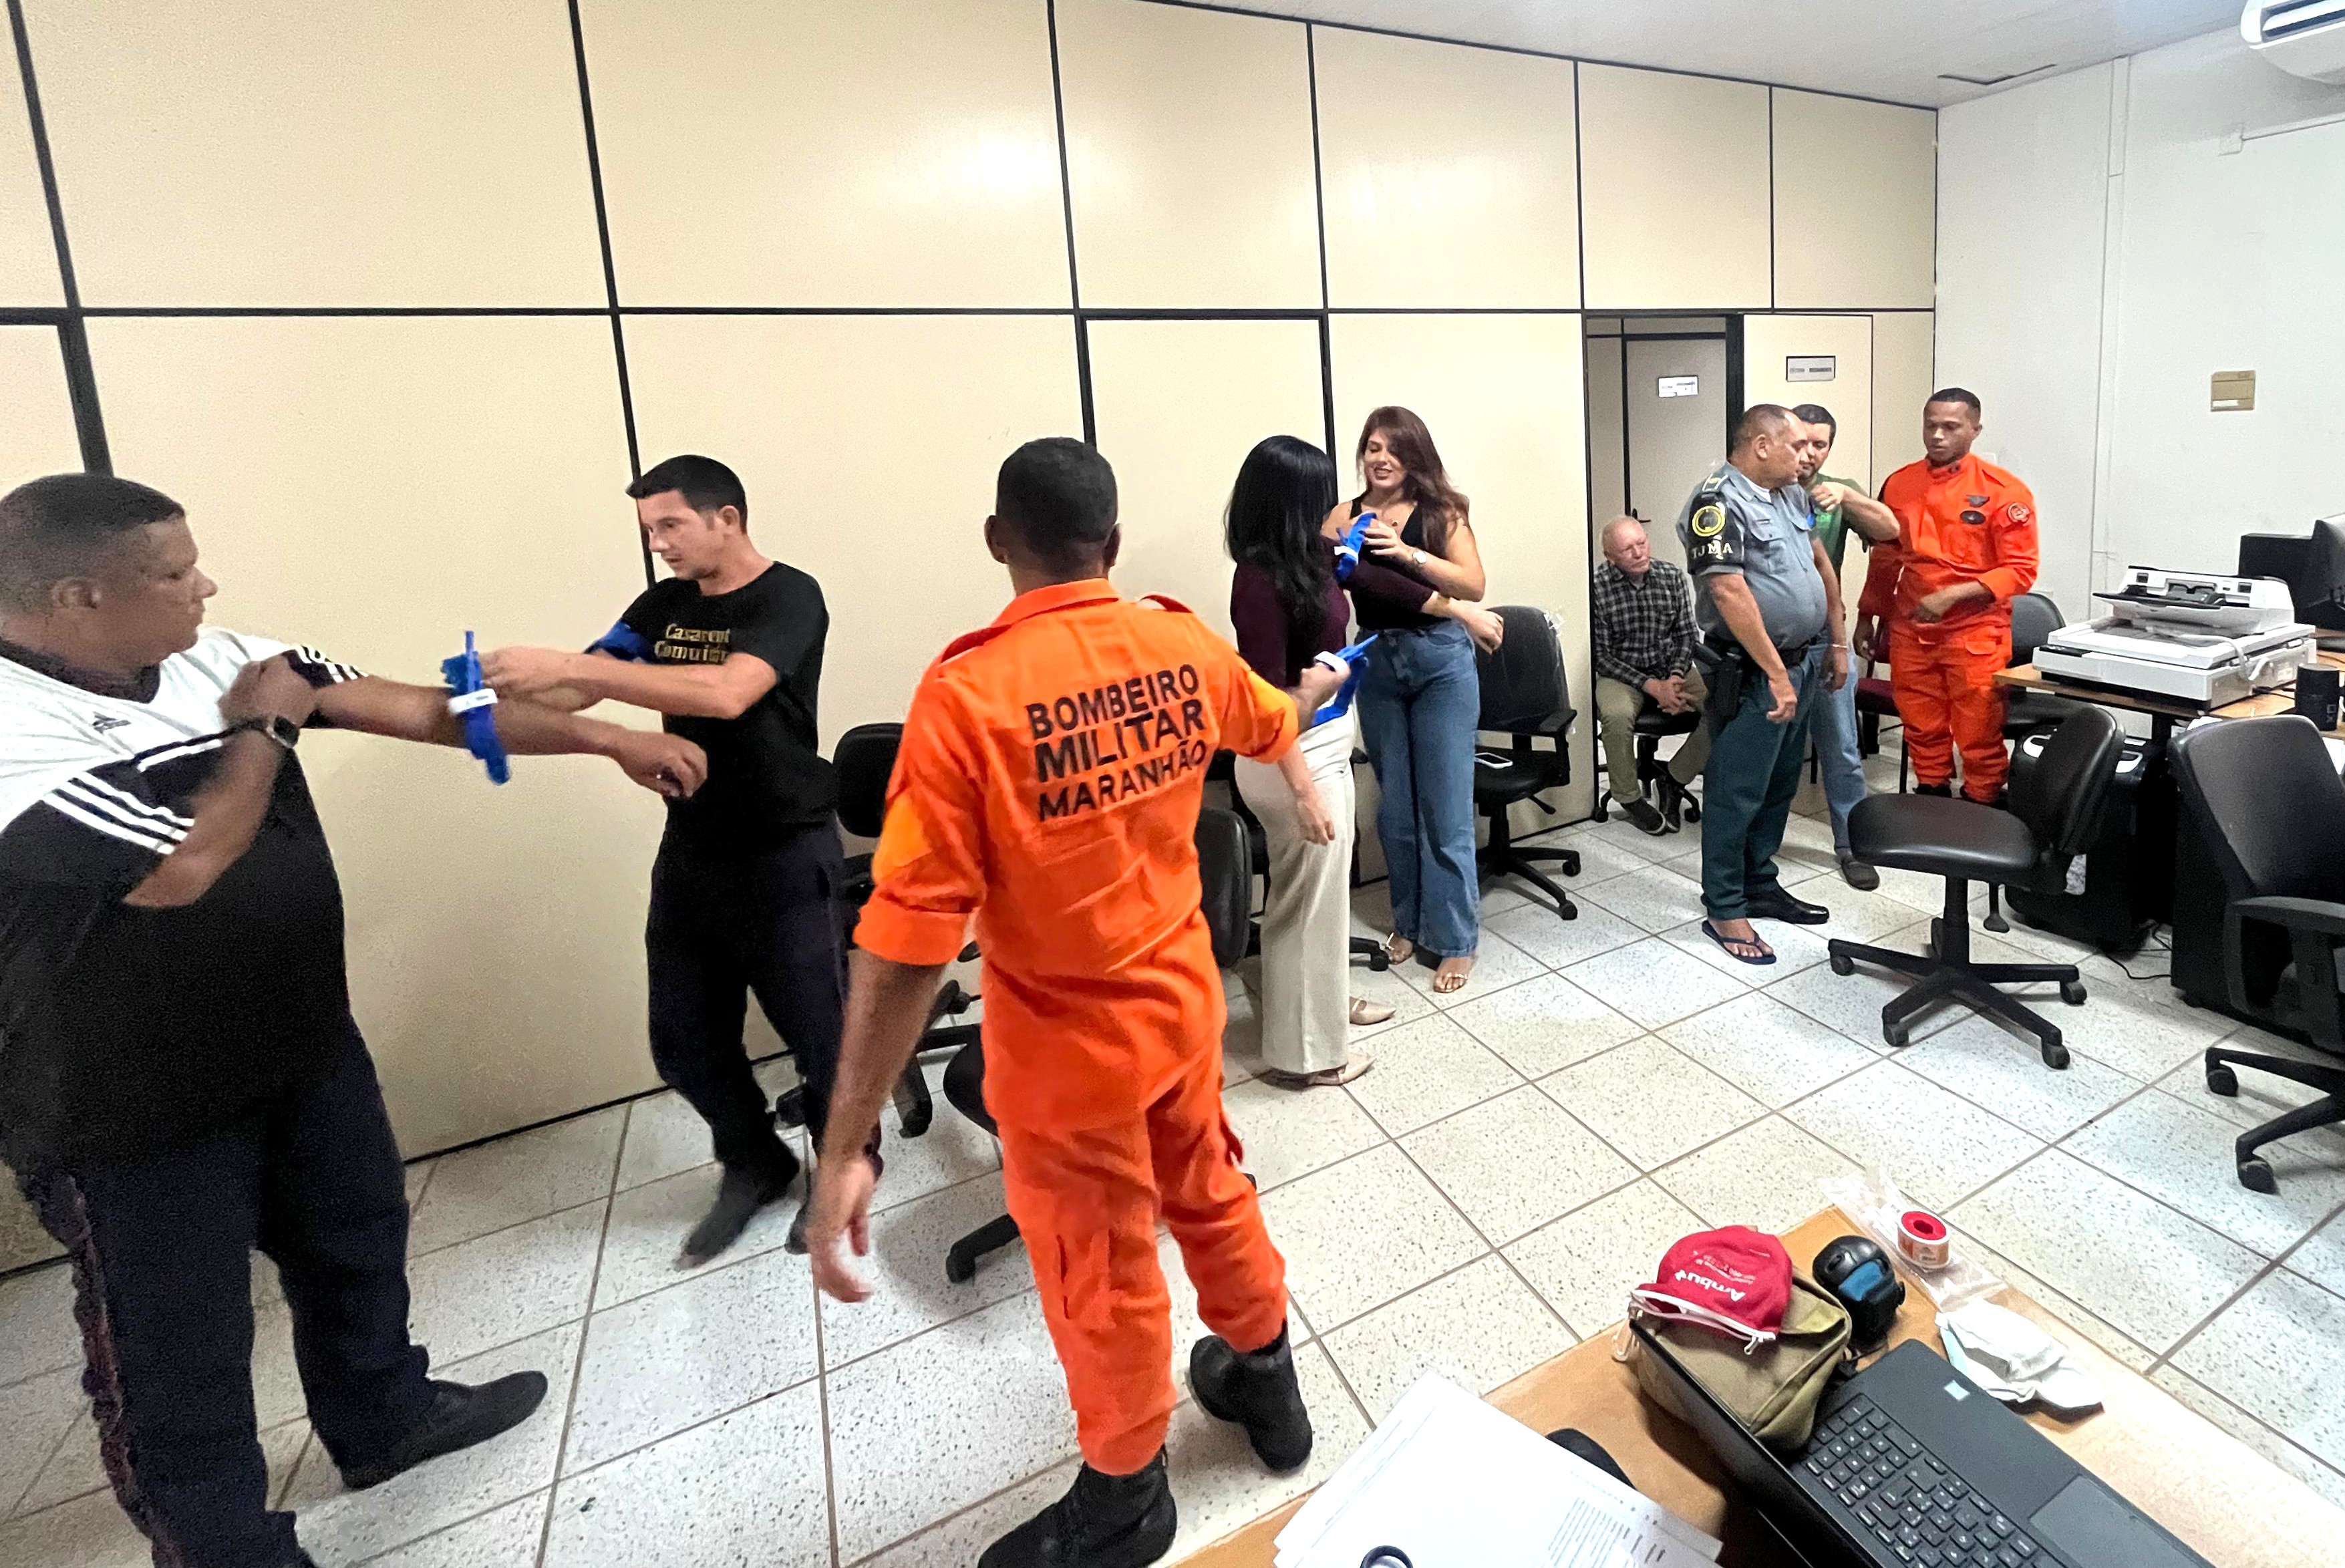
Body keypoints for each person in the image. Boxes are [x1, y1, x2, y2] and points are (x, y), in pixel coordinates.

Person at [0, 473, 707, 1568]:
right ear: (80, 597)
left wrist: (608, 739)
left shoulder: (218, 652)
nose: (206, 585)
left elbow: (432, 708)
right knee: (172, 1346)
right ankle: (224, 1546)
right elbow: (180, 866)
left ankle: (383, 1418)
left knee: (357, 1240)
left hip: (297, 1041)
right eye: (176, 573)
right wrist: (266, 725)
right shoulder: (16, 727)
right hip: (127, 1098)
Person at [802, 438, 1345, 1568]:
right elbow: (1268, 718)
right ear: (1109, 543)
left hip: (1064, 1055)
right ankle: (1267, 1383)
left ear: (999, 542)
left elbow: (905, 950)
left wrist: (844, 1142)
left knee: (1095, 1264)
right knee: (1208, 1184)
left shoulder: (966, 698)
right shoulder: (1175, 639)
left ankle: (1125, 1491)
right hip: (1182, 1008)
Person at [483, 454, 878, 1265]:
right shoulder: (662, 605)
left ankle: (851, 1165)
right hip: (695, 845)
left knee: (822, 1034)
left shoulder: (788, 596)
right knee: (683, 1038)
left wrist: (570, 665)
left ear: (725, 519)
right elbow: (586, 687)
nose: (659, 544)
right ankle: (754, 1160)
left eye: (670, 525)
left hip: (785, 844)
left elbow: (729, 691)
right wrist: (499, 691)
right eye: (649, 529)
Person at [1225, 435, 1398, 1089]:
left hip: (1323, 743)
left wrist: (1459, 605)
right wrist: (1302, 789)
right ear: (1291, 501)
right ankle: (1309, 1054)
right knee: (1305, 905)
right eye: (1320, 493)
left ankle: (1328, 1007)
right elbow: (1270, 704)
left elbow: (1377, 577)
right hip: (1291, 758)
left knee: (1323, 902)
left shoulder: (1311, 556)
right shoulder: (1258, 582)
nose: (1333, 504)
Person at [1327, 406, 1501, 993]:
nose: (1380, 458)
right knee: (1395, 810)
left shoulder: (1441, 512)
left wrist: (1404, 553)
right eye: (1372, 446)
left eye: (1393, 448)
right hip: (1377, 661)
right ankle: (1408, 921)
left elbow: (1473, 585)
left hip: (1440, 662)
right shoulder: (1343, 515)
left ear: (1414, 456)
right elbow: (1333, 576)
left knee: (1445, 809)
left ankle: (1455, 940)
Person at [1676, 406, 1849, 966]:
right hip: (1751, 671)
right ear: (1759, 445)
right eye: (1796, 444)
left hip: (1802, 659)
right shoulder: (1715, 502)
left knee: (1778, 784)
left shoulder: (1792, 494)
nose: (1808, 455)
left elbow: (1818, 566)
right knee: (1736, 788)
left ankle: (1759, 881)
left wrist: (1836, 640)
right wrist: (1776, 674)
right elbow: (1728, 592)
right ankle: (1725, 904)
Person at [1859, 389, 2040, 805]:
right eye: (1930, 425)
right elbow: (1886, 559)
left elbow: (2021, 571)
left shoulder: (2003, 491)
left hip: (1974, 632)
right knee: (1921, 725)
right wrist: (1868, 617)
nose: (1937, 435)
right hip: (1912, 626)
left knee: (1977, 730)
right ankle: (1932, 796)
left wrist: (1953, 596)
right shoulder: (1900, 483)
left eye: (1951, 427)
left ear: (1975, 429)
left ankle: (1983, 803)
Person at [1790, 404, 1901, 889]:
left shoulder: (1834, 491)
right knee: (1764, 751)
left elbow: (1890, 529)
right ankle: (1755, 846)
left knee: (1841, 747)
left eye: (1820, 444)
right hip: (1769, 641)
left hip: (1822, 637)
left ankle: (1851, 845)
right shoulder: (1757, 488)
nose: (1810, 453)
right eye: (1802, 443)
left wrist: (1849, 498)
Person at [1590, 514, 1706, 835]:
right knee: (1615, 716)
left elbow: (1686, 636)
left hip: (1671, 667)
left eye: (1642, 543)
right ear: (1610, 556)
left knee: (1726, 705)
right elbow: (1601, 656)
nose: (1640, 553)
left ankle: (1675, 776)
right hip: (1623, 674)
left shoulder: (1671, 576)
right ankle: (1628, 796)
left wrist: (1674, 678)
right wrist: (1652, 687)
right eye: (1628, 549)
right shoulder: (1597, 587)